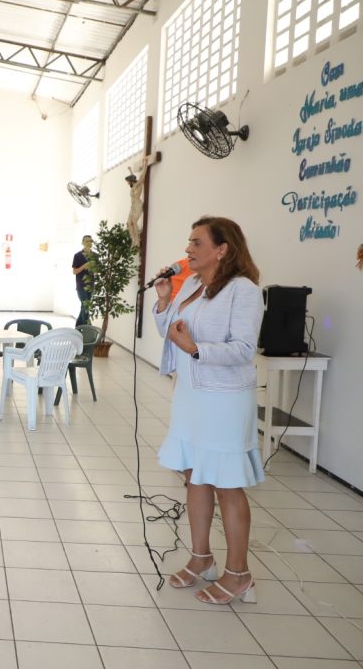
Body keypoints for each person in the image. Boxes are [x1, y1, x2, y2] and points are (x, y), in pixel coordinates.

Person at [152, 216, 263, 605]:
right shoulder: (196, 286)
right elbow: (174, 330)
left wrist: (196, 350)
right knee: (195, 476)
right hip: (192, 396)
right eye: (189, 242)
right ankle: (202, 558)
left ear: (222, 249)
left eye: (197, 243)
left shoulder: (243, 291)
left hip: (224, 400)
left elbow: (244, 349)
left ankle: (239, 574)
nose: (188, 250)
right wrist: (166, 301)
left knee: (226, 484)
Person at [72, 235, 93, 327]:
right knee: (85, 306)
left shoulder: (95, 255)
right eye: (87, 241)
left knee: (84, 306)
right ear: (82, 243)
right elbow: (75, 271)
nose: (89, 243)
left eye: (90, 241)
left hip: (91, 285)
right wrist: (85, 265)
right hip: (81, 285)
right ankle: (87, 327)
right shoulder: (77, 255)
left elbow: (98, 271)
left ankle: (78, 327)